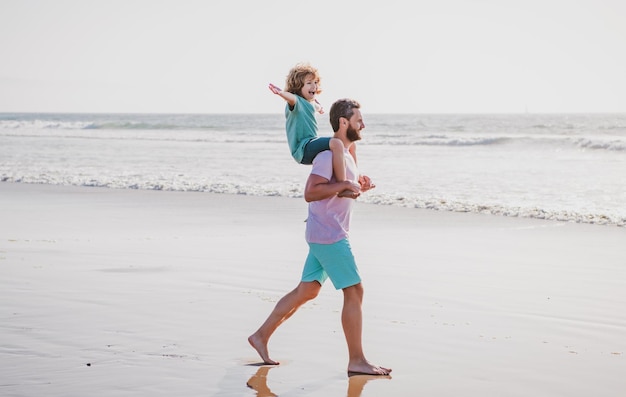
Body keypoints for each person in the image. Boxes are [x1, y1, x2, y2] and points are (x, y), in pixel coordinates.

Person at [248, 98, 391, 376]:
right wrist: (343, 184)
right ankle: (357, 360)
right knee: (355, 290)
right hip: (329, 234)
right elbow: (311, 192)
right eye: (358, 119)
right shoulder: (327, 156)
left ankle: (260, 336)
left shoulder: (348, 154)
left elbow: (343, 190)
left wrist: (360, 185)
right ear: (343, 122)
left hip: (323, 231)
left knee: (308, 290)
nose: (363, 124)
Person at [269, 63, 356, 197]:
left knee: (350, 143)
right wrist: (281, 93)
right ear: (298, 87)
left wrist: (320, 108)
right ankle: (342, 186)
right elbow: (291, 98)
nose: (314, 86)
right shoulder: (296, 101)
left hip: (311, 143)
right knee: (336, 143)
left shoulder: (310, 102)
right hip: (302, 149)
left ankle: (356, 178)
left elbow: (315, 105)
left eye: (315, 82)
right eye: (309, 83)